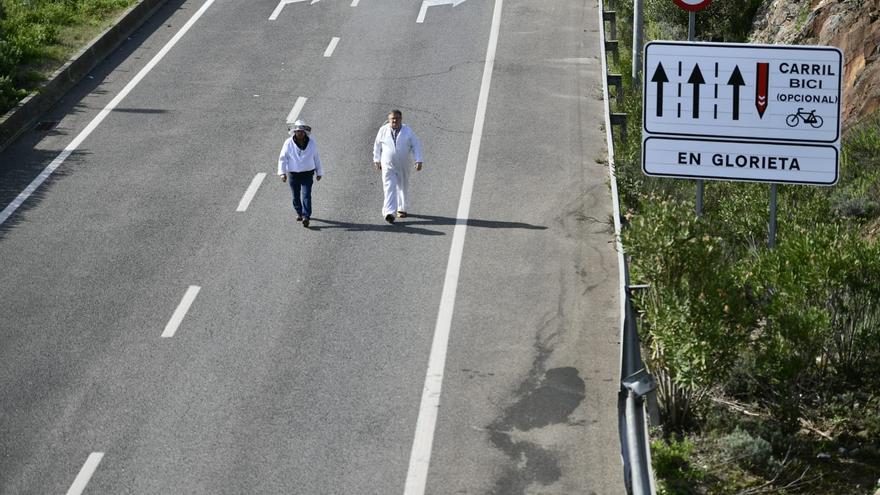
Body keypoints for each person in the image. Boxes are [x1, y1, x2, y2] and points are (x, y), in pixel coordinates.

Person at [373, 109, 423, 223]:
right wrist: (376, 160)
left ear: (401, 119)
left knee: (402, 186)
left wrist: (418, 160)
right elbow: (377, 145)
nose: (394, 120)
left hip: (403, 164)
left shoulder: (407, 131)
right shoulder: (383, 130)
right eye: (392, 119)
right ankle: (389, 212)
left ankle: (402, 208)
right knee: (389, 187)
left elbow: (416, 144)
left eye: (397, 118)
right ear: (389, 120)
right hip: (388, 165)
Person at [278, 120, 323, 228]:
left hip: (308, 174)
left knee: (306, 195)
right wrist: (282, 173)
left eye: (302, 131)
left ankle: (306, 216)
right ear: (295, 132)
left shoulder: (312, 142)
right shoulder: (288, 143)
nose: (300, 133)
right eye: (298, 131)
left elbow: (316, 157)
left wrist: (319, 172)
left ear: (305, 132)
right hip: (294, 174)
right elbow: (283, 158)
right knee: (296, 196)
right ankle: (299, 212)